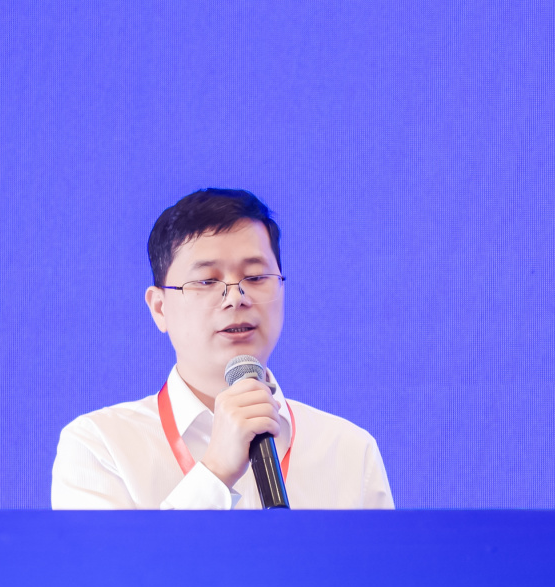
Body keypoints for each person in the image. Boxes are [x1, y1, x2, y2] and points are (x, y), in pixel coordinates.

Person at [51, 188, 393, 509]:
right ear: (159, 308)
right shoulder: (100, 446)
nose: (235, 298)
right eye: (207, 281)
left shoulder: (349, 450)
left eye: (255, 277)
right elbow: (115, 558)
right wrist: (215, 470)